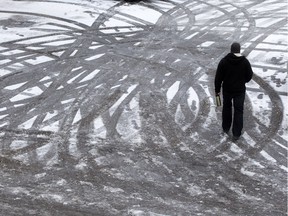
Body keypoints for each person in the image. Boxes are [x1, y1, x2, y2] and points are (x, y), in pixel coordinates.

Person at [214, 42, 253, 140]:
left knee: (227, 108)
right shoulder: (245, 62)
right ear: (239, 50)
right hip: (240, 90)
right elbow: (249, 75)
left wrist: (217, 90)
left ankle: (226, 127)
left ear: (231, 50)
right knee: (239, 111)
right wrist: (243, 81)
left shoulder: (224, 61)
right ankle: (236, 133)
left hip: (227, 90)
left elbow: (218, 77)